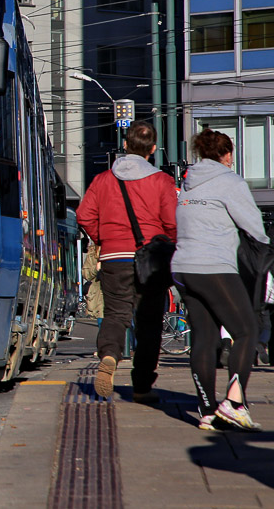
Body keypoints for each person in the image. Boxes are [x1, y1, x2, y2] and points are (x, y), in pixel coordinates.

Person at [171, 128, 268, 430]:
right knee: (247, 331)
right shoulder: (230, 181)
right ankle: (235, 404)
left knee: (205, 337)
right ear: (227, 155)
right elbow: (254, 227)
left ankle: (208, 410)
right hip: (213, 266)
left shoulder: (187, 183)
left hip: (183, 267)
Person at [77, 120, 177, 402]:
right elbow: (172, 223)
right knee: (149, 323)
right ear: (153, 149)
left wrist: (104, 238)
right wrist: (168, 243)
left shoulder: (103, 180)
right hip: (151, 262)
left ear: (124, 145)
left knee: (116, 315)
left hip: (113, 258)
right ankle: (142, 387)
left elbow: (84, 215)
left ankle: (109, 355)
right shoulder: (161, 181)